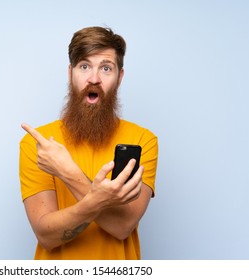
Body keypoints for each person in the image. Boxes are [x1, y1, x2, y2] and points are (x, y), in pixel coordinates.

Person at [19, 26, 158, 260]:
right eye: (84, 66)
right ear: (70, 72)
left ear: (120, 77)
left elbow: (122, 227)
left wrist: (68, 172)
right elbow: (46, 236)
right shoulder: (40, 144)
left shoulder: (143, 140)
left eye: (106, 68)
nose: (94, 78)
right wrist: (100, 197)